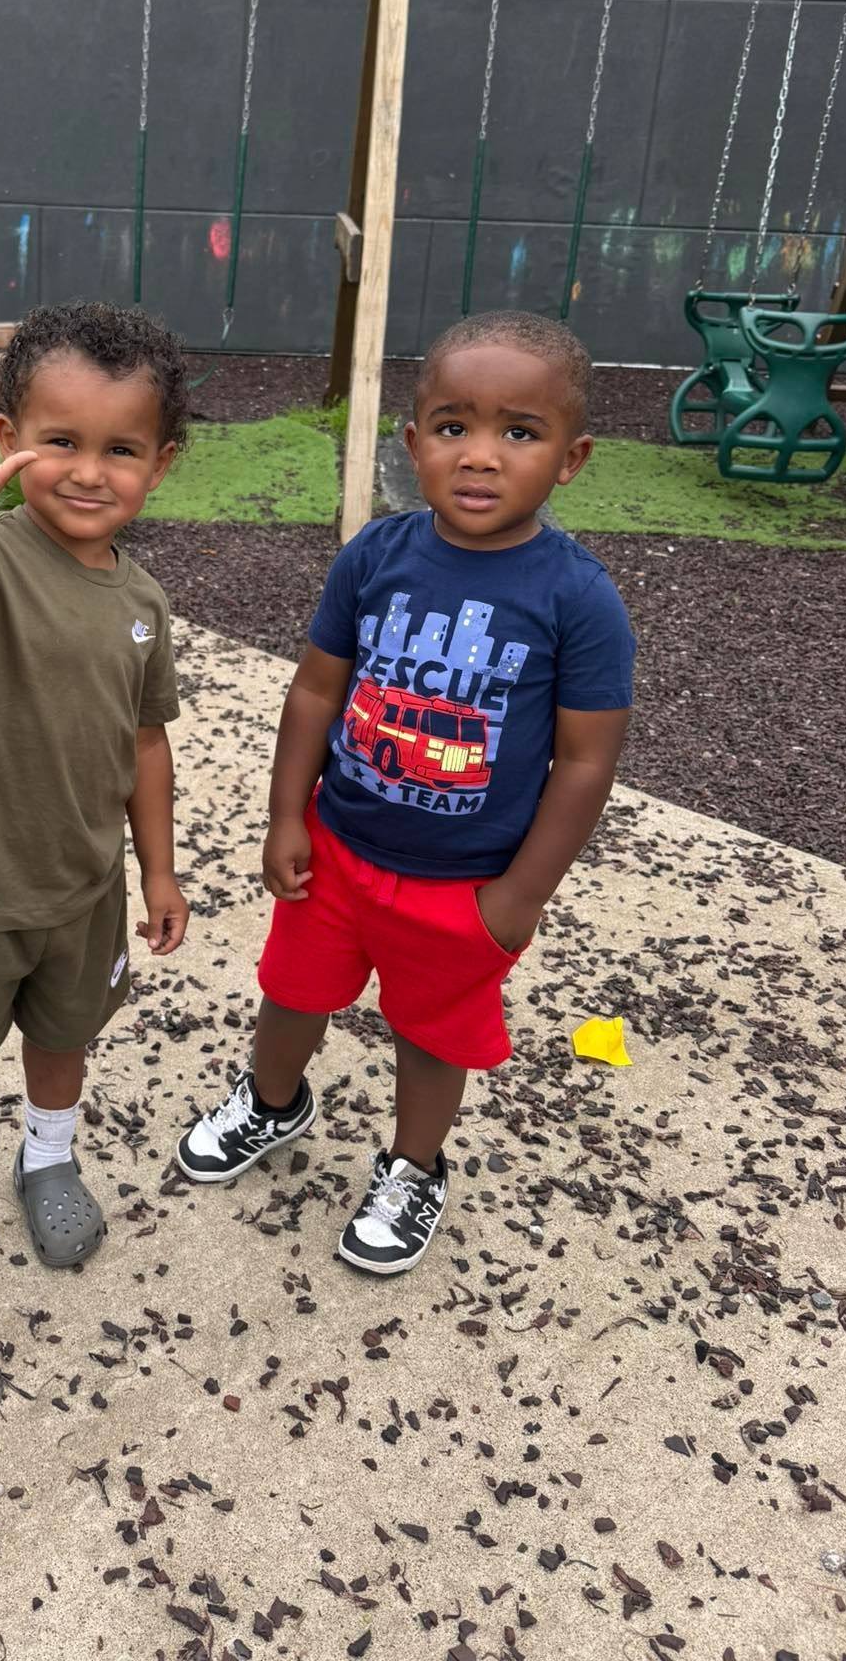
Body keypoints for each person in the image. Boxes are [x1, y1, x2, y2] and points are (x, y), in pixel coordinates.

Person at [175, 310, 635, 1275]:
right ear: (414, 439)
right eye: (454, 425)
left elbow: (586, 763)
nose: (481, 455)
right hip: (338, 850)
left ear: (572, 457)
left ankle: (414, 1164)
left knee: (433, 1034)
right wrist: (285, 815)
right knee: (291, 991)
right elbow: (315, 689)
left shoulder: (577, 599)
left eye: (520, 431)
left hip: (463, 884)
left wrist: (520, 898)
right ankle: (271, 1103)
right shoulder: (374, 557)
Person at [0, 303, 190, 1286]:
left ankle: (47, 1155)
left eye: (122, 448)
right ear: (10, 440)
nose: (91, 470)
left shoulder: (143, 602)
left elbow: (147, 743)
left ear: (162, 463)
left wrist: (159, 871)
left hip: (84, 883)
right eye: (62, 441)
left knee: (65, 1036)